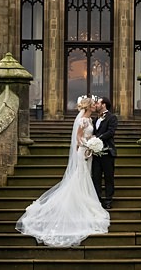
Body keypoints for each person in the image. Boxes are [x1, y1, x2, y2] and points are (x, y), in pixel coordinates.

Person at [15, 94, 110, 246]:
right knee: (81, 176)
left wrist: (94, 142)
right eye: (93, 104)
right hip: (83, 152)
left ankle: (85, 199)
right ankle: (79, 202)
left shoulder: (90, 120)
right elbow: (78, 138)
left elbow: (89, 134)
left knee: (86, 176)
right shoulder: (82, 120)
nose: (95, 106)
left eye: (95, 104)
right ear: (88, 106)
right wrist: (88, 145)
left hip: (89, 153)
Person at [91, 96, 117, 209]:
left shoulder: (112, 118)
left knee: (108, 176)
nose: (96, 105)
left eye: (98, 103)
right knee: (96, 176)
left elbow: (111, 132)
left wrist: (98, 139)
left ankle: (108, 200)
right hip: (96, 153)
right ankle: (98, 198)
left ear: (104, 105)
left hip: (107, 152)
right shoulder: (95, 119)